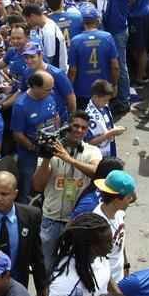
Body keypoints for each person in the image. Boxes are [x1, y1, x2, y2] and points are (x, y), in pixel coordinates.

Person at [31, 111, 102, 274]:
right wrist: (47, 158)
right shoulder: (50, 148)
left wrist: (68, 159)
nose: (79, 130)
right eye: (75, 126)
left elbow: (96, 171)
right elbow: (37, 185)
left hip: (77, 220)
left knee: (73, 268)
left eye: (83, 128)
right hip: (51, 219)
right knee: (45, 266)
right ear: (67, 126)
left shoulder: (92, 151)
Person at [11, 71, 61, 202]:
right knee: (27, 189)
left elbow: (55, 116)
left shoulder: (50, 95)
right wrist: (35, 148)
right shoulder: (21, 105)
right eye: (47, 89)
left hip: (51, 149)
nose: (51, 92)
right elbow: (17, 134)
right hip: (30, 155)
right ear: (35, 87)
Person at [66, 5, 119, 106]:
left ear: (82, 22)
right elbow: (115, 66)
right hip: (103, 89)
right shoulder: (107, 37)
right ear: (98, 21)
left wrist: (69, 90)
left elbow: (72, 70)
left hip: (82, 91)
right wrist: (115, 84)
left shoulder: (76, 40)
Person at [91, 170, 136, 283]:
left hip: (119, 278)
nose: (131, 200)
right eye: (128, 197)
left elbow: (121, 241)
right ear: (117, 199)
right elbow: (97, 263)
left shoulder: (119, 212)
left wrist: (126, 265)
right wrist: (117, 293)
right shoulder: (99, 225)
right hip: (105, 285)